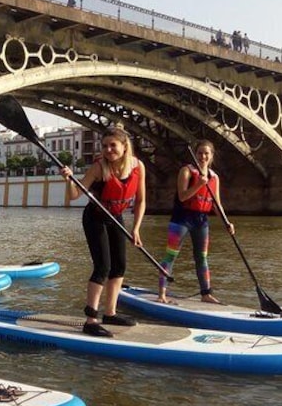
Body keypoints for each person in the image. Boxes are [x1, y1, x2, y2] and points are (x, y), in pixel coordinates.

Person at [60, 128, 145, 337]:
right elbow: (74, 196)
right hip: (95, 218)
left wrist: (136, 228)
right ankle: (91, 319)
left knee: (120, 266)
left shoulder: (137, 166)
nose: (108, 150)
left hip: (116, 217)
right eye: (105, 146)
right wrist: (69, 179)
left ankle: (110, 313)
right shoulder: (98, 167)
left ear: (124, 146)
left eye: (112, 145)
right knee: (103, 267)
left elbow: (141, 200)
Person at [157, 140, 233, 305]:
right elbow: (183, 196)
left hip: (201, 220)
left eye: (207, 153)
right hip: (181, 218)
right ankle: (162, 294)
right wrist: (199, 184)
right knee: (171, 256)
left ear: (211, 156)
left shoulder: (214, 177)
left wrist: (226, 222)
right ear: (195, 154)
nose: (203, 156)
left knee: (202, 258)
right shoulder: (186, 171)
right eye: (200, 153)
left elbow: (216, 204)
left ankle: (206, 293)